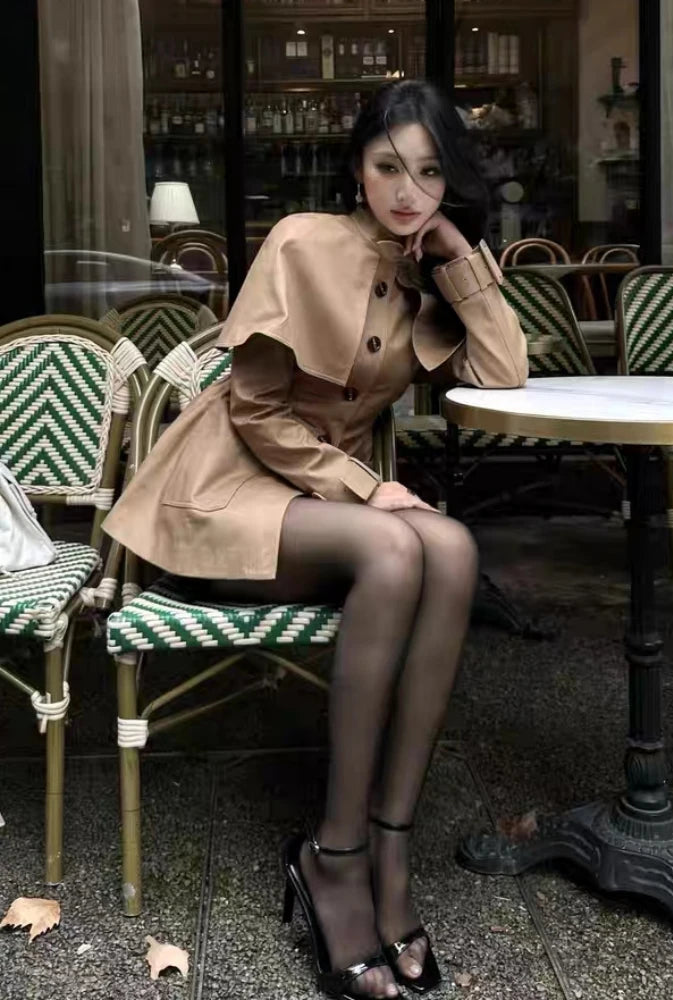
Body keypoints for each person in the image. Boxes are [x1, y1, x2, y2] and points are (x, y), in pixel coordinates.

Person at [104, 79, 528, 1000]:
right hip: (226, 491)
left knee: (449, 547)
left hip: (322, 506)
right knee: (396, 544)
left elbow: (503, 373)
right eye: (388, 167)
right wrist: (367, 487)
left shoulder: (430, 265)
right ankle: (332, 856)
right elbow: (255, 412)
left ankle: (390, 850)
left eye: (428, 172)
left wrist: (458, 252)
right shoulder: (302, 240)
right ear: (357, 168)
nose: (407, 191)